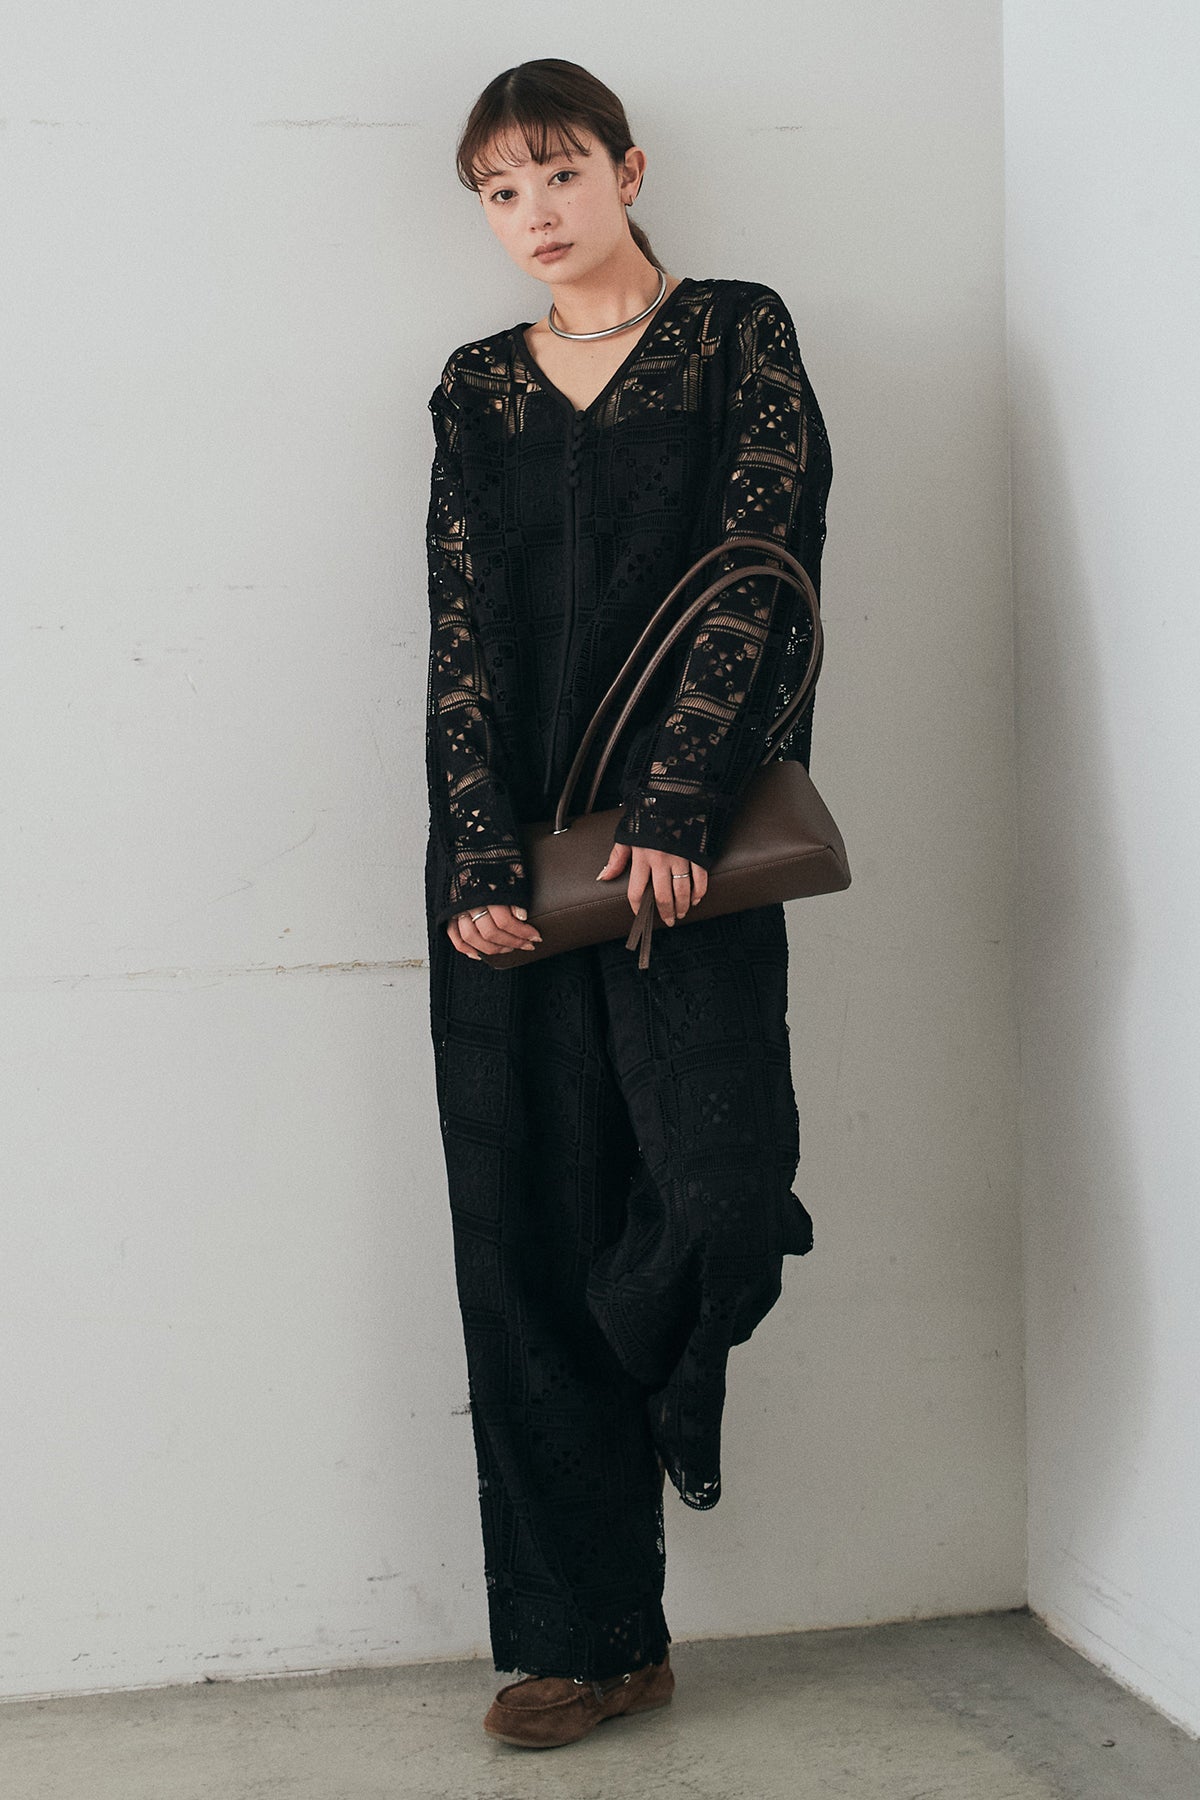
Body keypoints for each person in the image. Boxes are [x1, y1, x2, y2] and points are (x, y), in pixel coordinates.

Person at [422, 58, 833, 1750]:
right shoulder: (474, 388)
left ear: (628, 170)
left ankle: (659, 1364)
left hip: (689, 854)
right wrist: (474, 858)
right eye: (500, 190)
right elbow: (458, 631)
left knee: (718, 1192)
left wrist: (678, 799)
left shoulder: (738, 335)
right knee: (523, 1231)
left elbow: (761, 571)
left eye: (559, 173)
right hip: (511, 865)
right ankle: (583, 1643)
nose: (534, 213)